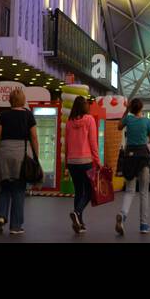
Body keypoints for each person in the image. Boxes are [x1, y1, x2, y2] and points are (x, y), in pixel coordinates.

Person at [0, 88, 39, 235]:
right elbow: (34, 137)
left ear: (10, 100)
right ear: (23, 100)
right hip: (21, 155)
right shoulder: (28, 115)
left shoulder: (4, 115)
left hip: (4, 154)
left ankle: (1, 217)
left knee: (5, 186)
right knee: (19, 190)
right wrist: (36, 157)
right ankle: (15, 226)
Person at [116, 98, 150, 235]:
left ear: (131, 108)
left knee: (129, 190)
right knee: (144, 192)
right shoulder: (147, 121)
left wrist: (126, 110)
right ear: (142, 108)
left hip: (129, 157)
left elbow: (118, 126)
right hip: (143, 158)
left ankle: (122, 215)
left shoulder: (128, 119)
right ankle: (144, 225)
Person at [64, 96, 100, 234]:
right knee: (90, 192)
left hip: (72, 162)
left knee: (78, 191)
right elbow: (93, 142)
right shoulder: (89, 120)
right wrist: (97, 161)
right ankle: (77, 211)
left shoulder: (69, 122)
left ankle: (79, 223)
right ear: (85, 106)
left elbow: (66, 144)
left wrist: (67, 163)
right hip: (86, 161)